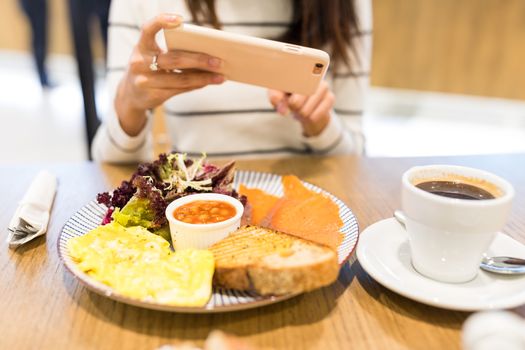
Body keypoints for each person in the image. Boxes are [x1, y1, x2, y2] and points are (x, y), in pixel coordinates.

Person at [92, 0, 372, 163]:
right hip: (193, 206)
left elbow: (355, 160)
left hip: (305, 205)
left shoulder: (345, 6)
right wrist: (130, 103)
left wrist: (322, 126)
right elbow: (106, 160)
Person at [19, 0, 52, 88]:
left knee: (38, 38)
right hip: (34, 3)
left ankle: (42, 75)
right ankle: (42, 76)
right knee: (39, 38)